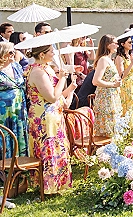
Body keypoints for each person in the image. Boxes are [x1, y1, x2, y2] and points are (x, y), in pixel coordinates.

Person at [25, 44, 76, 194]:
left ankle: (59, 182)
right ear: (41, 55)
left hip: (54, 115)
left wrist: (70, 88)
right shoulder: (37, 72)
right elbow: (52, 97)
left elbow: (58, 94)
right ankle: (48, 185)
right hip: (44, 118)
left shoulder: (46, 68)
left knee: (58, 147)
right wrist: (61, 79)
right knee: (48, 148)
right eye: (51, 52)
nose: (54, 54)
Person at [0, 42, 29, 157]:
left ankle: (21, 163)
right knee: (6, 134)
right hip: (3, 111)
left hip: (19, 107)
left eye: (14, 51)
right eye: (10, 52)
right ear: (2, 54)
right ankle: (6, 165)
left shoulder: (16, 66)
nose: (14, 54)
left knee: (20, 132)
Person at [92, 35, 122, 137]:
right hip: (106, 96)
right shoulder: (103, 60)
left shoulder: (110, 59)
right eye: (115, 43)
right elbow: (96, 81)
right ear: (108, 45)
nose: (117, 46)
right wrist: (113, 84)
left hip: (112, 94)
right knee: (107, 125)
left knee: (114, 123)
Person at [115, 36, 133, 132]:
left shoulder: (130, 55)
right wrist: (130, 64)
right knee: (127, 106)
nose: (131, 44)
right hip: (126, 85)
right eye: (129, 42)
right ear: (122, 44)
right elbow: (122, 75)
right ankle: (127, 130)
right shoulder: (119, 58)